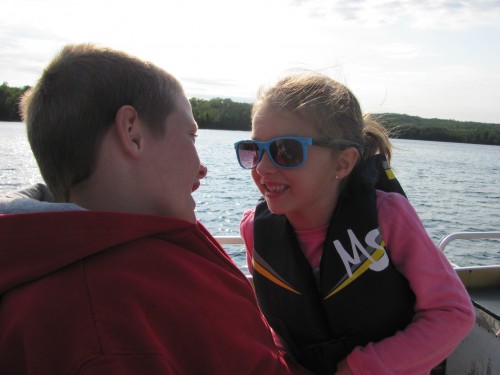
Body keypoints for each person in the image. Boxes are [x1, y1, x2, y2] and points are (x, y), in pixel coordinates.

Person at [0, 44, 313, 375]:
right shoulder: (104, 331)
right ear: (132, 133)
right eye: (191, 136)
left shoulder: (148, 244)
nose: (203, 167)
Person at [234, 73, 475, 375]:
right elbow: (276, 325)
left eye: (287, 151)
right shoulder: (255, 230)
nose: (263, 167)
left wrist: (361, 367)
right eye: (253, 150)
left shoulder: (388, 216)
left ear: (343, 163)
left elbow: (453, 313)